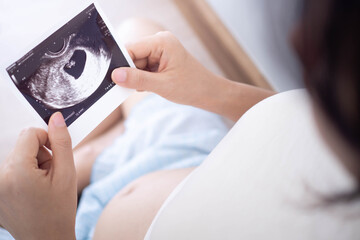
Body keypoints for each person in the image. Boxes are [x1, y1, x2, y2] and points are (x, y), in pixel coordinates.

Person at [0, 0, 359, 239]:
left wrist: (46, 233)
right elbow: (289, 123)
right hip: (201, 158)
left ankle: (94, 158)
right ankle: (99, 156)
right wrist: (209, 89)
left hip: (76, 227)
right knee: (137, 31)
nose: (297, 39)